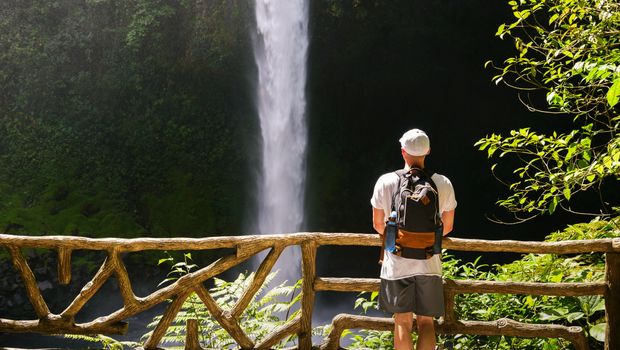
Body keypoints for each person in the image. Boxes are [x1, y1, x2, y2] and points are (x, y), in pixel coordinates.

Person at [370, 128, 457, 350]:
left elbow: (378, 225)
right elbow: (447, 227)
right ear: (428, 151)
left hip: (397, 262)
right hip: (429, 262)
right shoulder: (443, 183)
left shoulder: (386, 181)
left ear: (403, 152)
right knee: (427, 322)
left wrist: (400, 237)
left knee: (402, 321)